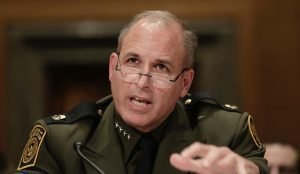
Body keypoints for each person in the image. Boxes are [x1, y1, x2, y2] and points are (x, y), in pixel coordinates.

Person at [15, 10, 268, 174]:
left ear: (185, 83)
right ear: (113, 68)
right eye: (133, 62)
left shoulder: (227, 132)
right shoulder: (59, 140)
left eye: (160, 67)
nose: (142, 81)